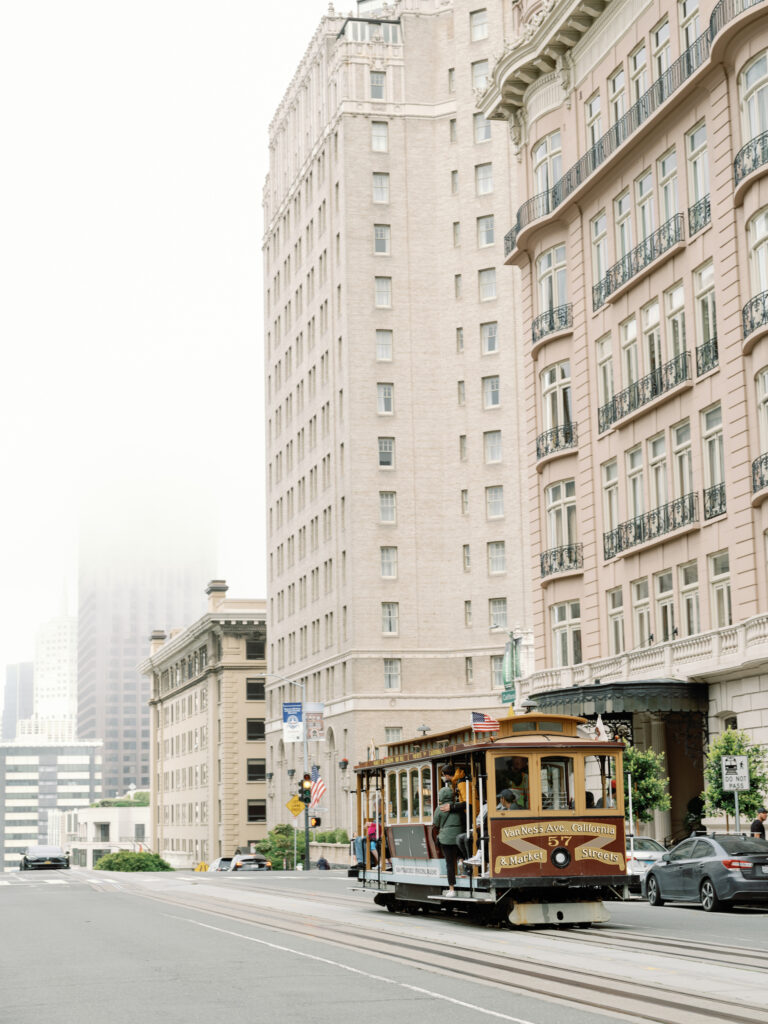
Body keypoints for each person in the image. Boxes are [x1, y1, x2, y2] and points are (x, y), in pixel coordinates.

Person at [433, 781, 464, 897]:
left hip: (446, 838)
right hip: (459, 835)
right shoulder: (457, 806)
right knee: (460, 850)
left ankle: (452, 889)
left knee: (449, 863)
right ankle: (461, 861)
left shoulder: (440, 808)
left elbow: (436, 823)